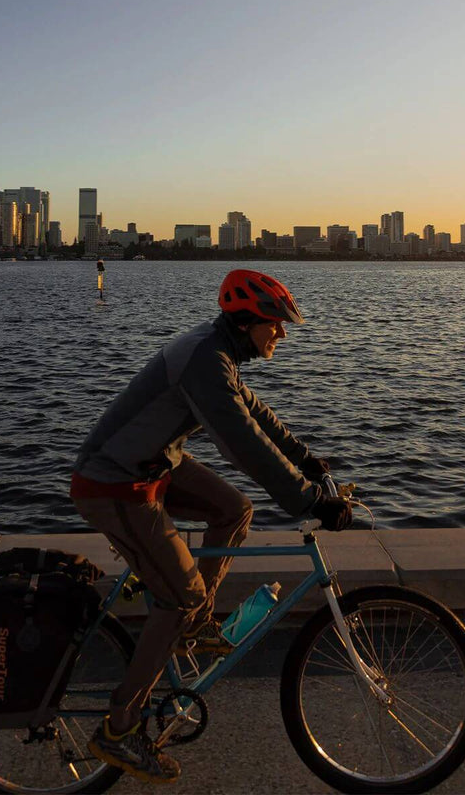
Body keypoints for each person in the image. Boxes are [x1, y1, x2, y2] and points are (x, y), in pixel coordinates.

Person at [70, 268, 352, 784]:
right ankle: (119, 727)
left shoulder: (219, 353)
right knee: (180, 596)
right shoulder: (206, 360)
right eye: (277, 323)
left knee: (234, 510)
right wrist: (310, 500)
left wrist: (308, 461)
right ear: (248, 321)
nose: (283, 333)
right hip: (115, 484)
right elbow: (242, 443)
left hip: (153, 465)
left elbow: (255, 415)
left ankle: (193, 628)